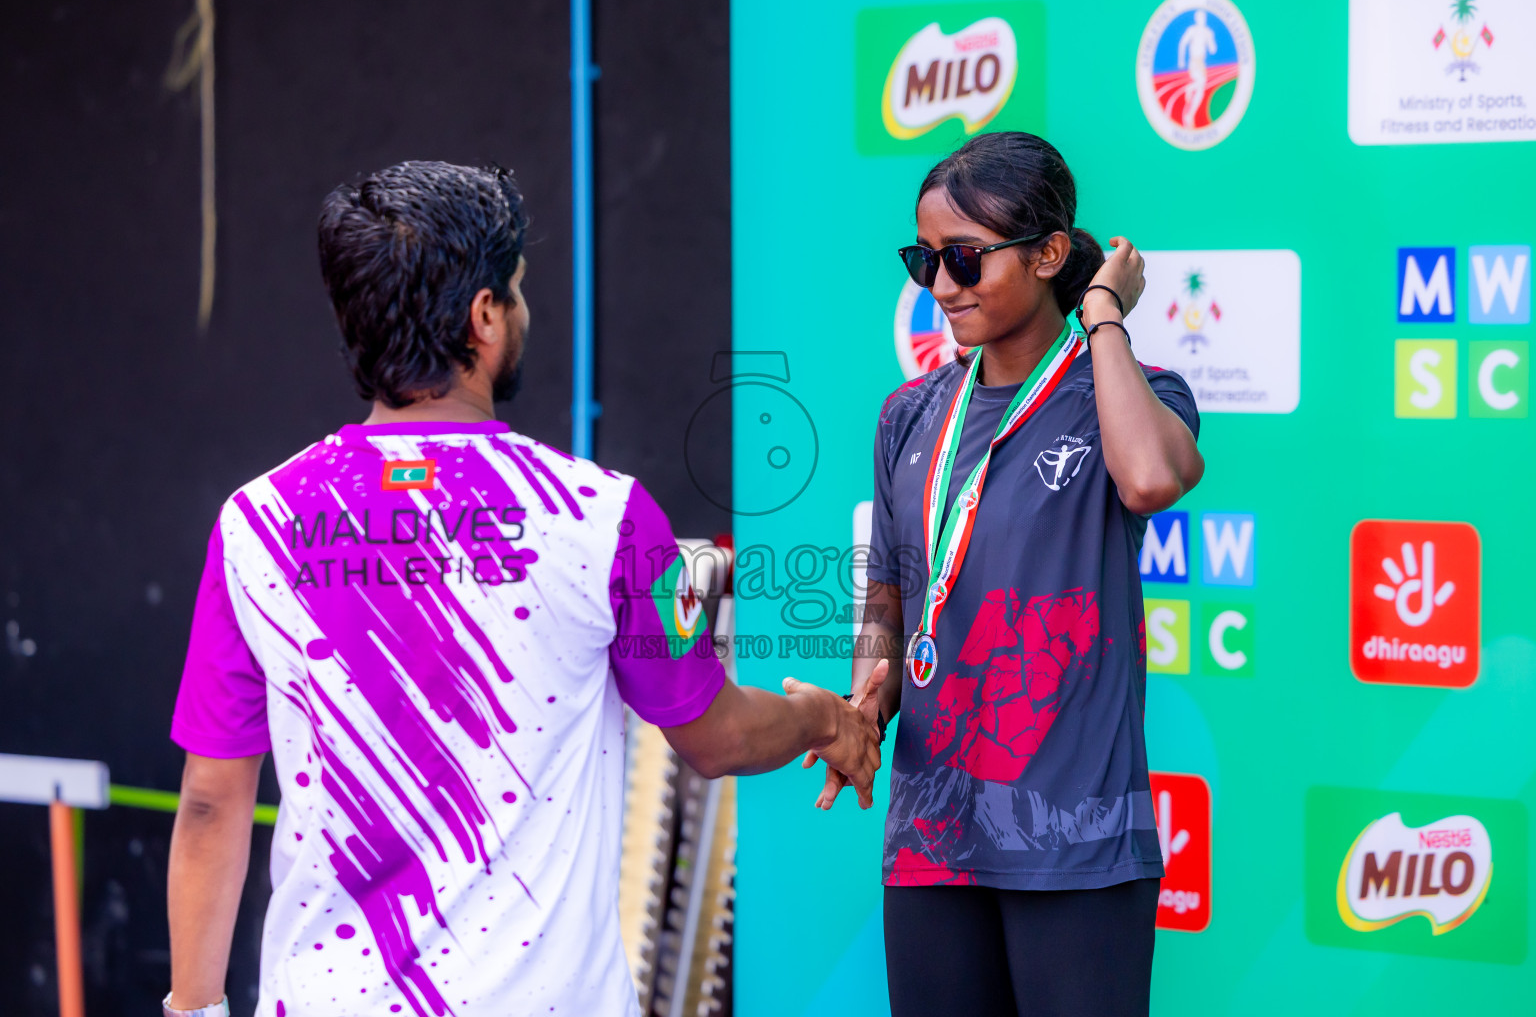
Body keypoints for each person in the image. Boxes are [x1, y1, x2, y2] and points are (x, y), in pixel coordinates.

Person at [163, 161, 885, 1017]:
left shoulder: (255, 525)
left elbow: (212, 803)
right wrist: (825, 719)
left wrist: (194, 1008)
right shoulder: (607, 519)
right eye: (516, 289)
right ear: (484, 320)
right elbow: (715, 736)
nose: (522, 307)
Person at [809, 132, 1204, 1015]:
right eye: (924, 260)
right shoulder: (909, 414)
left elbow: (1149, 477)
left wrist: (1103, 314)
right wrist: (866, 696)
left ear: (1049, 254)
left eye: (963, 259)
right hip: (930, 838)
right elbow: (889, 588)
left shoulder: (1138, 394)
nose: (940, 287)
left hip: (1078, 843)